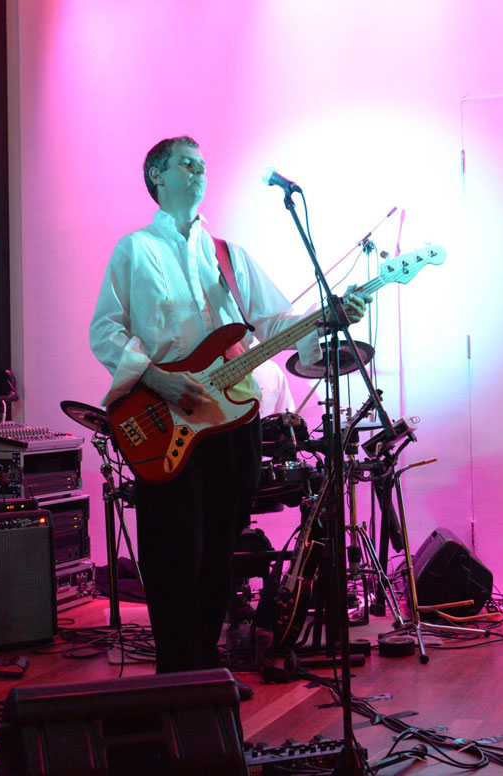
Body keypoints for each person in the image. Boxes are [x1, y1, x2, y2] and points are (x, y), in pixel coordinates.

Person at [89, 136, 363, 693]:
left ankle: (207, 674)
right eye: (186, 163)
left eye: (203, 165)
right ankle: (175, 680)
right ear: (157, 176)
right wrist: (156, 377)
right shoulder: (134, 250)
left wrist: (329, 318)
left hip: (235, 422)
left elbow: (277, 321)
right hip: (167, 417)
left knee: (219, 548)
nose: (199, 171)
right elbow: (105, 331)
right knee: (173, 550)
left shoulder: (228, 255)